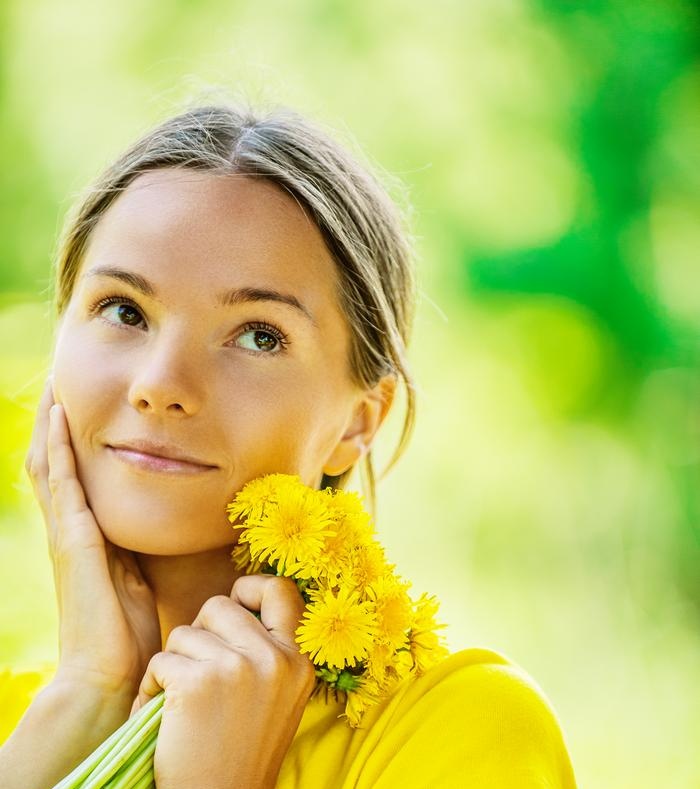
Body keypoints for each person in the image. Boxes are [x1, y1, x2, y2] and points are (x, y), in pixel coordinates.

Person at [0, 102, 577, 788]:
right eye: (125, 310)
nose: (160, 384)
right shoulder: (19, 716)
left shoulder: (460, 729)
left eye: (258, 335)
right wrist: (86, 696)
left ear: (360, 422)